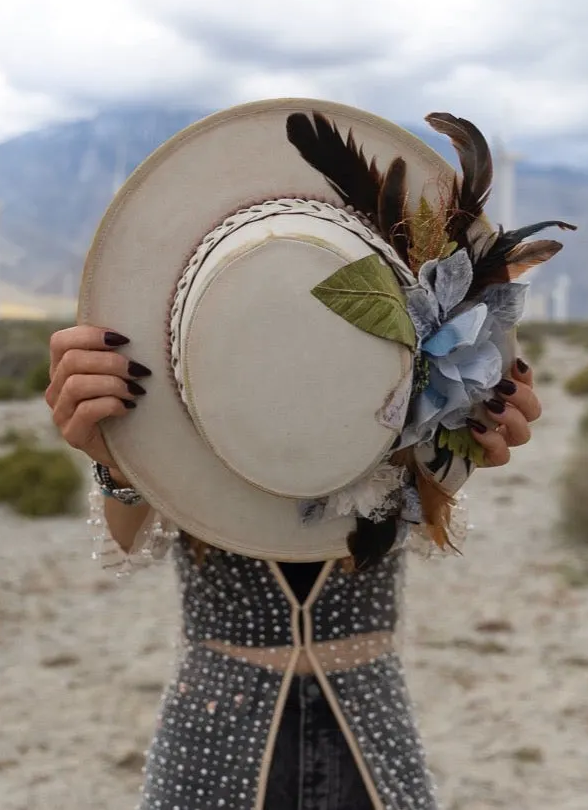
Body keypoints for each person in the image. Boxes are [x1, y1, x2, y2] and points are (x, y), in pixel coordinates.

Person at [46, 323, 541, 810]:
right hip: (214, 744)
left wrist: (460, 447)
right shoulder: (182, 366)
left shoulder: (399, 361)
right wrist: (119, 463)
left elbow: (430, 534)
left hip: (373, 734)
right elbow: (125, 542)